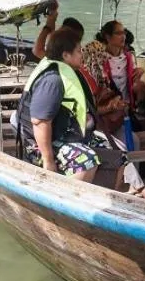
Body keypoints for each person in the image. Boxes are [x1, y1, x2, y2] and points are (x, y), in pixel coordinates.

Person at [17, 28, 101, 182]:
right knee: (87, 160)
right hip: (38, 145)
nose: (82, 55)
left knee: (117, 155)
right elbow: (40, 122)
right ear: (65, 55)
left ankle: (105, 196)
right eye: (79, 51)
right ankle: (69, 198)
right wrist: (48, 161)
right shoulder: (53, 80)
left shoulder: (66, 73)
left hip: (64, 136)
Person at [81, 20, 145, 136]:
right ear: (108, 37)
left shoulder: (128, 56)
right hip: (109, 103)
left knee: (141, 85)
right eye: (119, 33)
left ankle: (140, 114)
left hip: (125, 104)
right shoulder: (98, 58)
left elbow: (134, 78)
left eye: (124, 33)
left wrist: (140, 72)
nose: (123, 36)